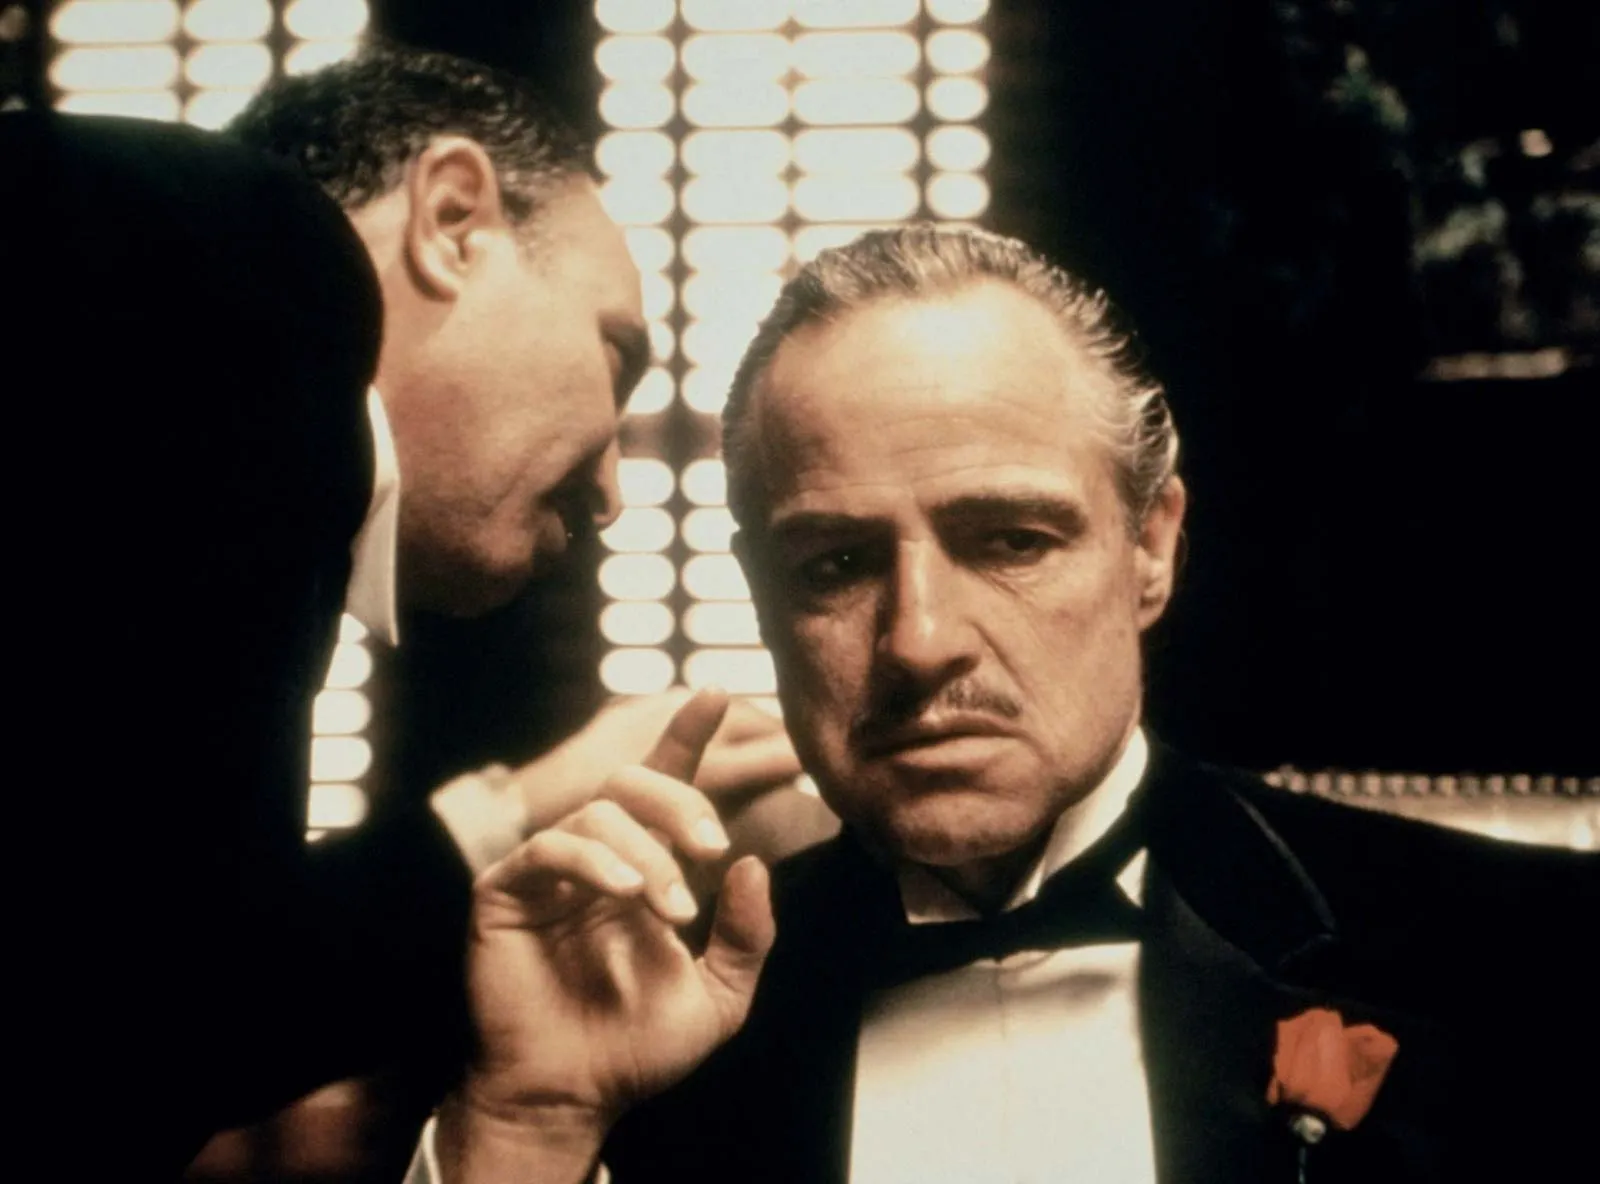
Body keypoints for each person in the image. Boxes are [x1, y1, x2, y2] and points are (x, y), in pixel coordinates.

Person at [413, 225, 1595, 1184]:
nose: (919, 640)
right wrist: (528, 1125)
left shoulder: (1525, 959)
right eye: (834, 564)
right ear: (761, 599)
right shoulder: (625, 1022)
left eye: (1010, 539)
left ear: (1150, 547)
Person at [4, 46, 807, 1177]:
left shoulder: (219, 484)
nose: (611, 494)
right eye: (614, 354)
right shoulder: (237, 250)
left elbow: (135, 1014)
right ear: (452, 219)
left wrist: (527, 807)